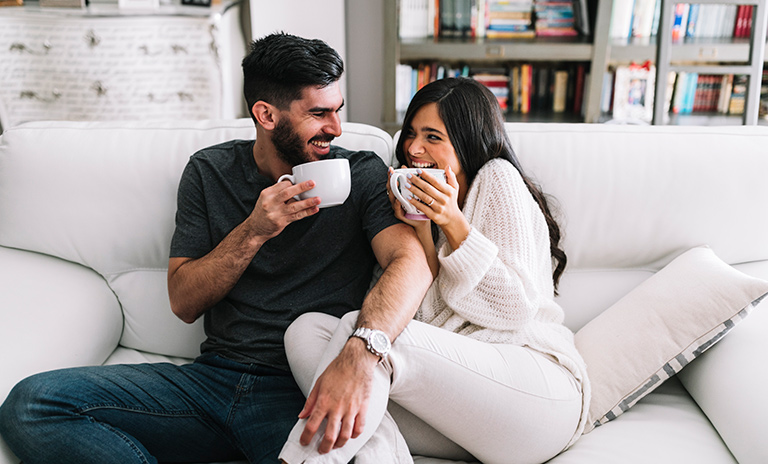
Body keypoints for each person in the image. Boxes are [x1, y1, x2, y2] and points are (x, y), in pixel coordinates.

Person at [0, 33, 432, 464]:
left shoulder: (361, 173)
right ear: (265, 114)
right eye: (318, 114)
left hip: (298, 388)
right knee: (31, 405)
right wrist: (254, 230)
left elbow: (409, 262)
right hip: (211, 383)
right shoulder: (210, 171)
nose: (335, 128)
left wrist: (359, 354)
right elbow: (184, 302)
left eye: (337, 110)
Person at [278, 77, 591, 464]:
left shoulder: (496, 178)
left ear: (467, 141)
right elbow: (426, 323)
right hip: (460, 416)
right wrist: (422, 230)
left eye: (432, 136)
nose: (413, 148)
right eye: (410, 134)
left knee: (367, 333)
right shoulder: (409, 208)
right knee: (306, 331)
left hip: (534, 396)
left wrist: (455, 223)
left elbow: (515, 311)